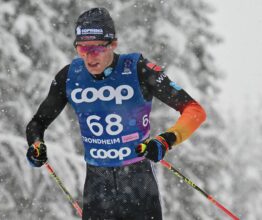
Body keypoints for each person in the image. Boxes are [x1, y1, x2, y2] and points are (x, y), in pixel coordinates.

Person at [26, 7, 206, 220]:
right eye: (83, 49)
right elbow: (37, 123)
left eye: (96, 49)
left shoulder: (138, 69)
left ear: (113, 44)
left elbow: (194, 111)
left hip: (138, 183)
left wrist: (165, 140)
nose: (89, 57)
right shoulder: (70, 76)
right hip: (97, 186)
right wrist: (36, 146)